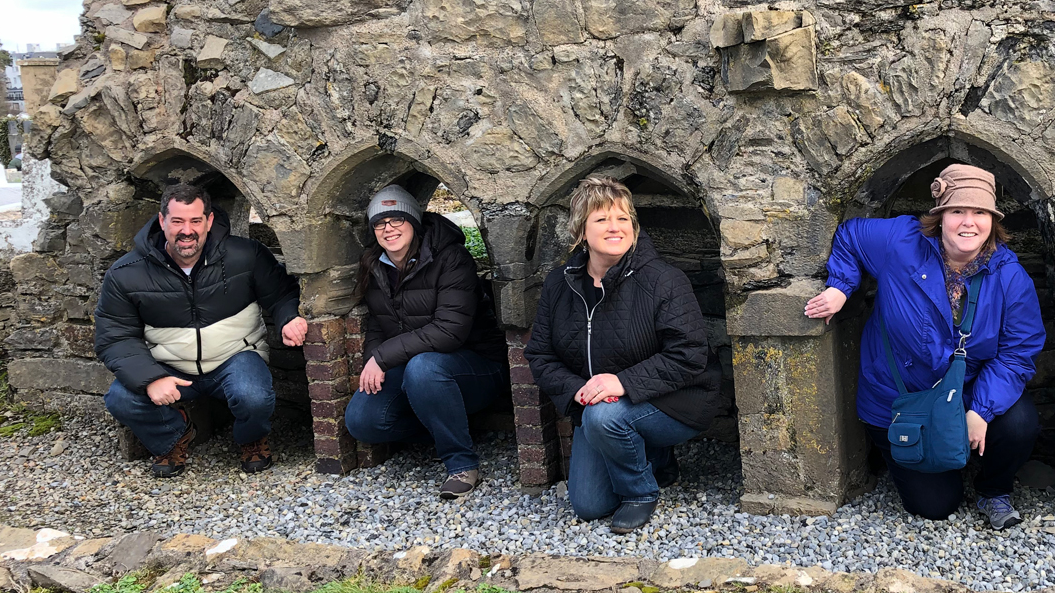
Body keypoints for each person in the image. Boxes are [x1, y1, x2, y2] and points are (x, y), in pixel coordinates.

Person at [804, 164, 1046, 529]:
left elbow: (1017, 352)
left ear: (993, 220)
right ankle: (937, 459)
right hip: (902, 400)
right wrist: (841, 286)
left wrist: (979, 411)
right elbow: (850, 234)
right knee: (934, 506)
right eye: (957, 211)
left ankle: (993, 490)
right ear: (940, 215)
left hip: (965, 394)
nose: (968, 222)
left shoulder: (1010, 277)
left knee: (1020, 422)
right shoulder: (901, 242)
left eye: (980, 212)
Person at [526, 176, 720, 533]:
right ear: (581, 231)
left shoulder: (663, 280)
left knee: (604, 418)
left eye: (622, 219)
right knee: (589, 505)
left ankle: (640, 492)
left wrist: (621, 382)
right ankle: (652, 457)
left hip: (674, 401)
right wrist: (577, 391)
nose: (614, 227)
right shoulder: (560, 283)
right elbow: (539, 354)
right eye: (601, 220)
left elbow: (690, 353)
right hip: (596, 406)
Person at [98, 183, 307, 477]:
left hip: (235, 356)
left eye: (195, 220)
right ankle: (174, 434)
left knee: (254, 396)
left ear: (209, 221)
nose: (187, 230)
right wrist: (150, 379)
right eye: (178, 221)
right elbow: (115, 336)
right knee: (121, 398)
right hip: (169, 365)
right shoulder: (126, 273)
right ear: (162, 221)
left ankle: (251, 439)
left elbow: (282, 293)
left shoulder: (245, 255)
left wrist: (288, 318)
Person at [343, 185, 510, 500]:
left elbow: (450, 330)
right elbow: (378, 323)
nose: (388, 228)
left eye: (396, 219)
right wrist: (372, 361)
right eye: (380, 223)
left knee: (424, 369)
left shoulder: (450, 258)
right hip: (413, 368)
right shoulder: (375, 265)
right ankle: (444, 426)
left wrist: (382, 358)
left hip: (476, 367)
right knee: (362, 421)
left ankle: (461, 463)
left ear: (413, 221)